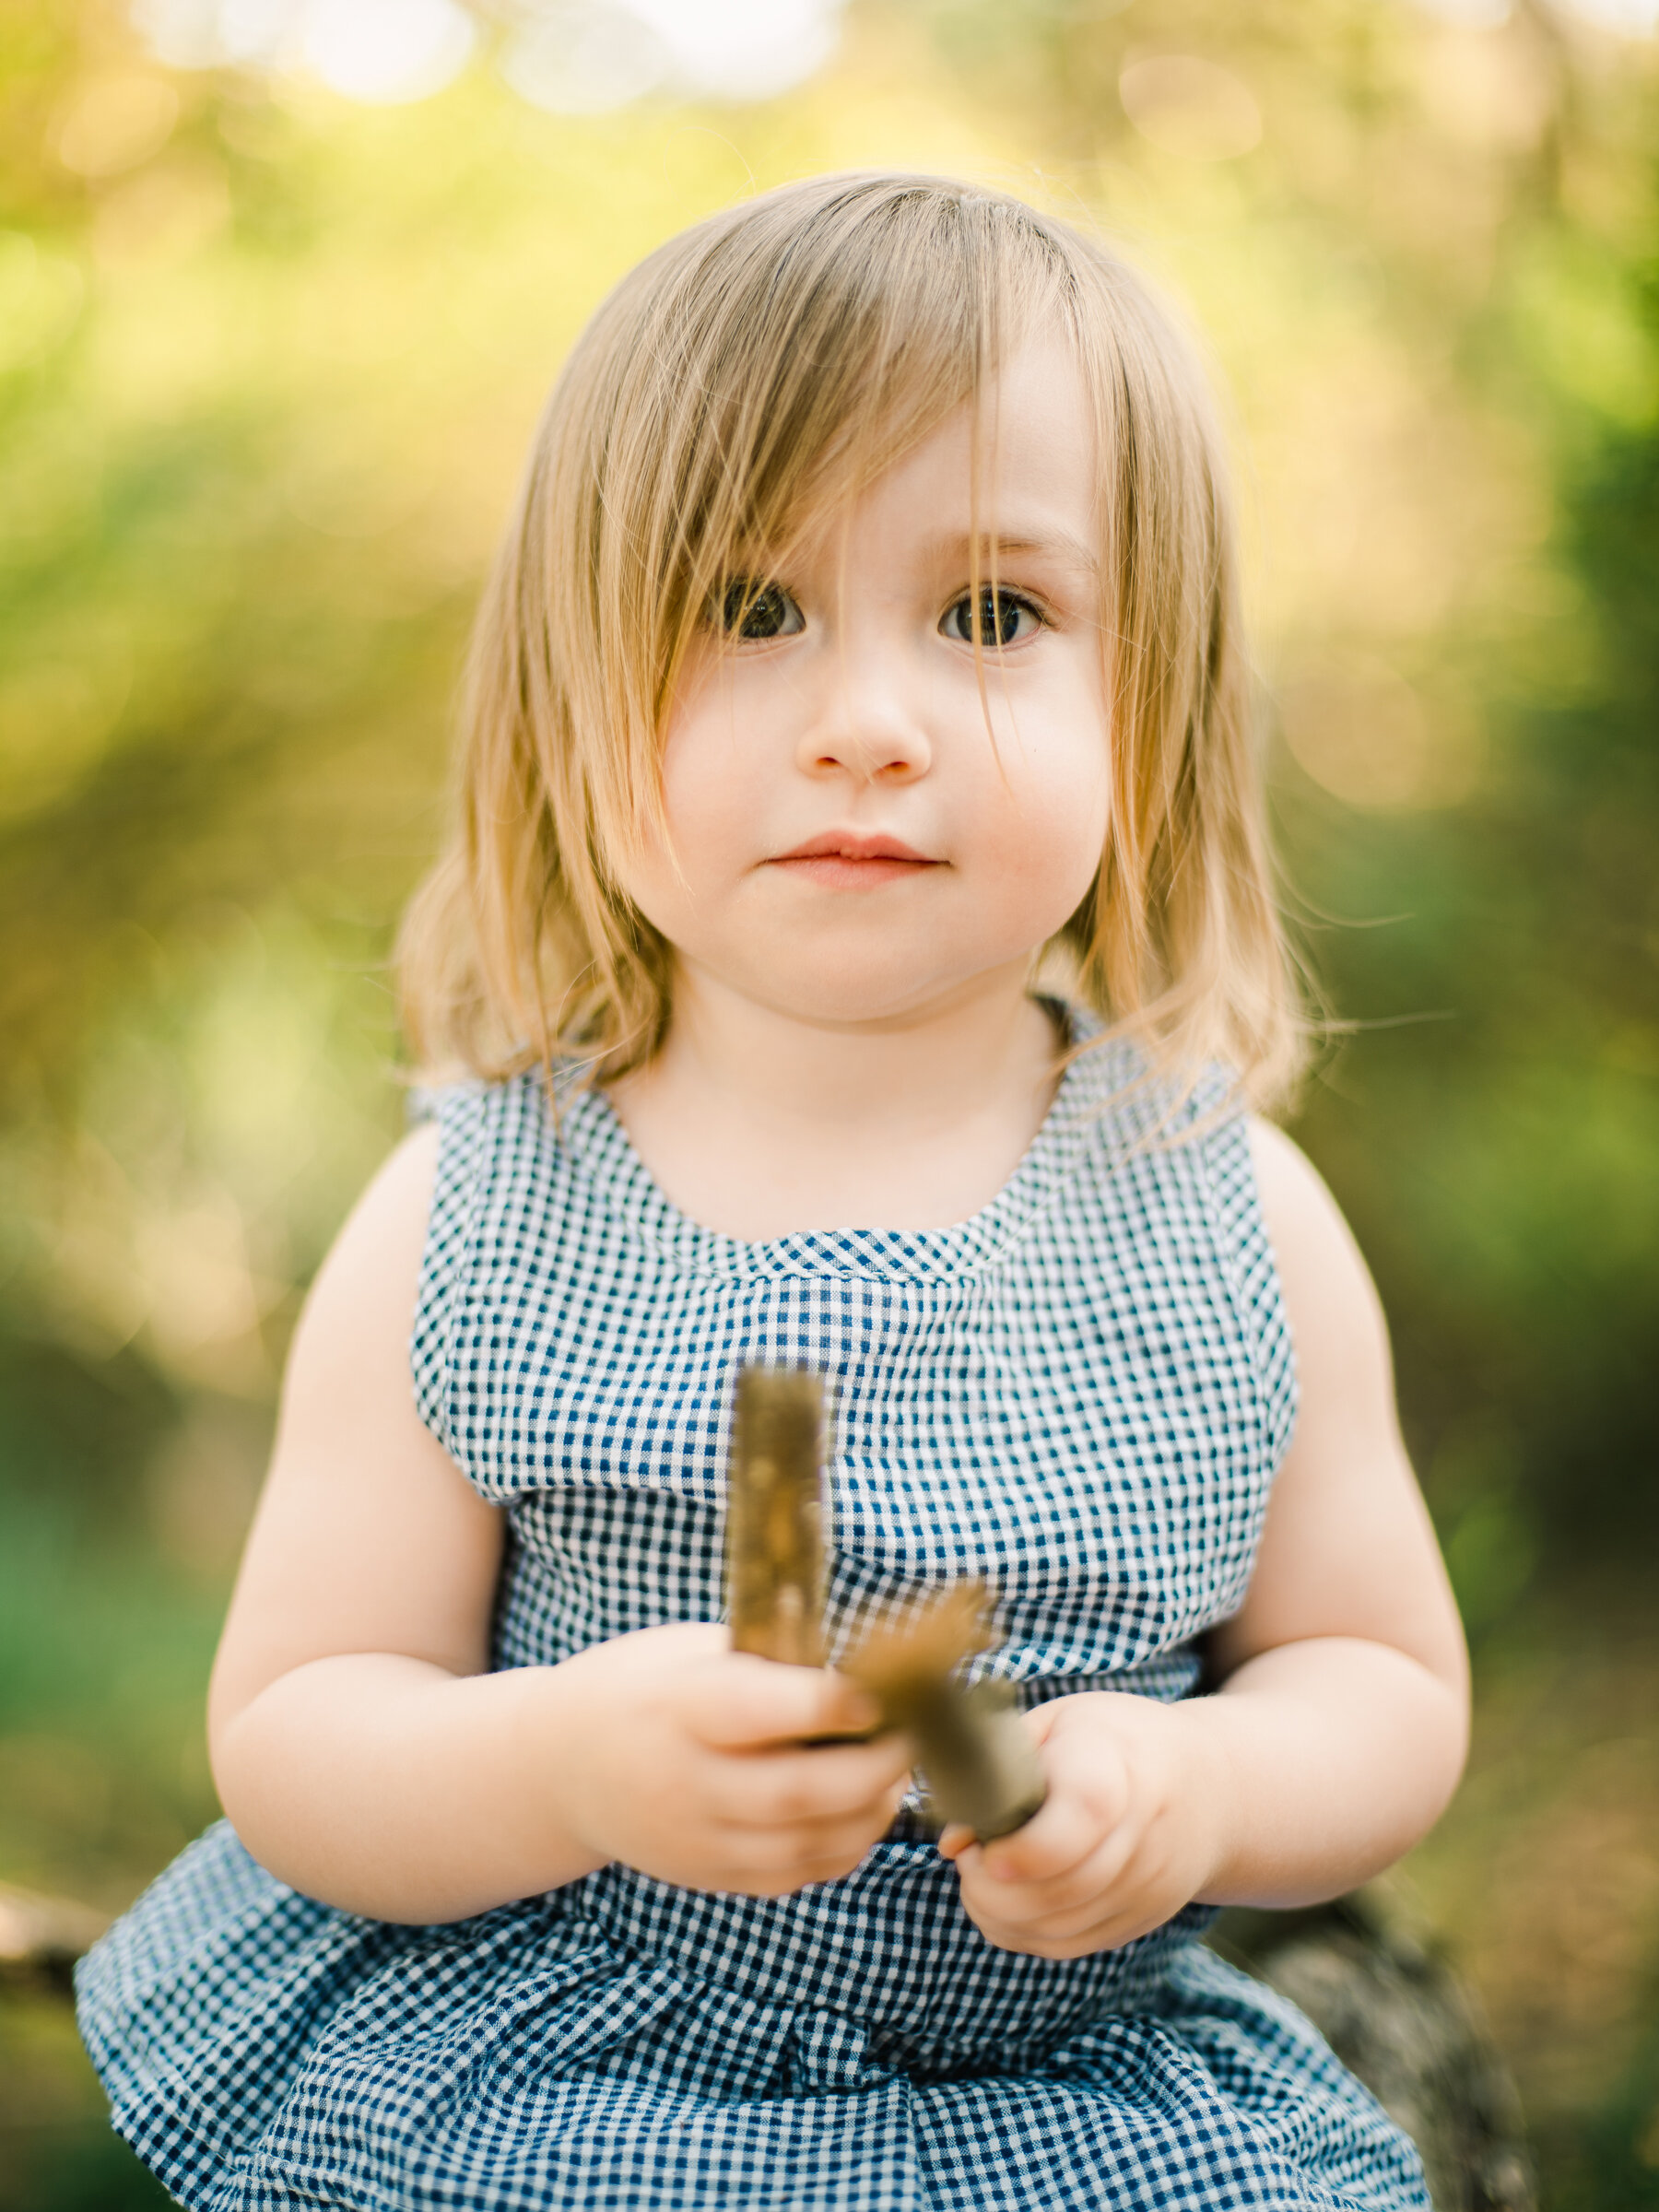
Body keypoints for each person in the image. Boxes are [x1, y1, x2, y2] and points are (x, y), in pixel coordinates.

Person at [76, 173, 1469, 2211]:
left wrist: (1200, 1786)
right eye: (751, 609)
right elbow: (299, 1729)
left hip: (1066, 2104)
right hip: (562, 2080)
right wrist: (557, 1765)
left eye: (994, 615)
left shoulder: (1228, 1214)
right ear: (572, 694)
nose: (868, 729)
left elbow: (1386, 1687)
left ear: (1146, 708)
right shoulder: (479, 1213)